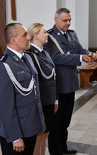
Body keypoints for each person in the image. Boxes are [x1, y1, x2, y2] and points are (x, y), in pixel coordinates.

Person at [44, 8, 94, 155]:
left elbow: (79, 49)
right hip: (59, 85)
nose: (68, 23)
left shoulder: (72, 34)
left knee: (65, 120)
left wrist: (91, 54)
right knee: (56, 122)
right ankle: (55, 150)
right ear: (55, 20)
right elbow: (56, 57)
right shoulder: (49, 37)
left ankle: (63, 146)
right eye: (65, 20)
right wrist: (80, 58)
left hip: (71, 83)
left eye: (69, 20)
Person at [0, 23, 46, 155]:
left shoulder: (27, 58)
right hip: (16, 132)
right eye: (25, 35)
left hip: (30, 126)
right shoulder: (3, 65)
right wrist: (15, 137)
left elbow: (35, 94)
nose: (29, 38)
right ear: (13, 40)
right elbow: (3, 107)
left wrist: (39, 123)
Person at [26, 23, 57, 155]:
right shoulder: (31, 55)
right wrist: (38, 109)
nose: (47, 34)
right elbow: (35, 84)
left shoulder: (44, 52)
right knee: (39, 137)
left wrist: (55, 99)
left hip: (49, 101)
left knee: (46, 134)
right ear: (36, 35)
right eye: (44, 32)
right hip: (41, 103)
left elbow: (52, 78)